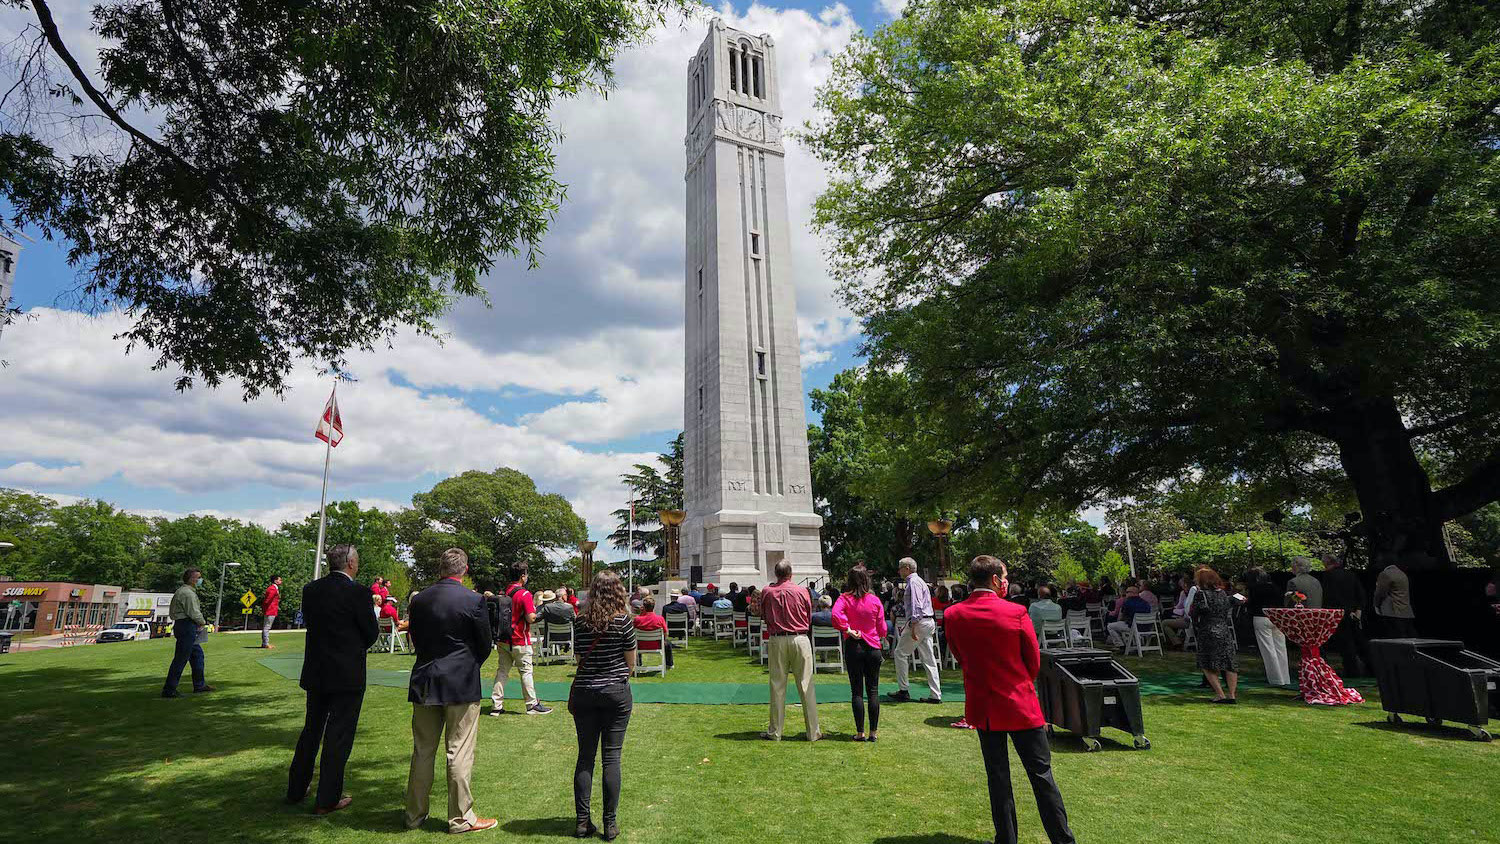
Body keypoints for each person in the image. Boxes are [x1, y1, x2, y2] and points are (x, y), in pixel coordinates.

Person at [946, 556, 1075, 844]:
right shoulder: (1016, 612)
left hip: (984, 705)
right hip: (1019, 703)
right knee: (1041, 775)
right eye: (1004, 577)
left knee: (998, 777)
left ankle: (1006, 838)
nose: (1006, 581)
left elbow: (959, 655)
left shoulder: (954, 614)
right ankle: (1063, 839)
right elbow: (1033, 661)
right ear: (994, 579)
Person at [404, 548, 498, 834]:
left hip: (426, 679)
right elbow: (484, 643)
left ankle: (413, 816)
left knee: (423, 751)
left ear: (441, 568)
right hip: (459, 682)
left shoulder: (419, 600)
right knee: (458, 751)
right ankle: (461, 818)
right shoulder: (473, 600)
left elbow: (415, 639)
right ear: (465, 570)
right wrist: (466, 665)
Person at [287, 544, 380, 814]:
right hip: (347, 674)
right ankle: (327, 799)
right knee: (338, 736)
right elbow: (370, 633)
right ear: (350, 563)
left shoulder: (311, 590)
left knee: (311, 731)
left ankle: (296, 789)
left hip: (316, 671)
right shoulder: (359, 593)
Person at [570, 569, 637, 841]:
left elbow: (577, 658)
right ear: (618, 591)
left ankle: (583, 822)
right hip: (615, 692)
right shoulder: (623, 621)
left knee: (585, 757)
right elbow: (630, 663)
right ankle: (610, 824)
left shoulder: (580, 622)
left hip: (585, 691)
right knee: (612, 757)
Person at [759, 560, 821, 741]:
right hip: (800, 638)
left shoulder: (767, 592)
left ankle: (775, 731)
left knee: (777, 686)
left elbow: (763, 615)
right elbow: (808, 615)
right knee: (806, 685)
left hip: (777, 639)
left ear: (776, 574)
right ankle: (813, 732)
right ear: (791, 574)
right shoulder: (803, 591)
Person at [832, 566, 887, 741]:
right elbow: (882, 628)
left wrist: (847, 628)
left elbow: (835, 615)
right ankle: (873, 732)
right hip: (873, 648)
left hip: (854, 647)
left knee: (856, 691)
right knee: (873, 690)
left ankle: (860, 732)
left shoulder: (844, 599)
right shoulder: (874, 600)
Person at [491, 561, 551, 716]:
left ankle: (496, 705)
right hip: (519, 640)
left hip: (504, 639)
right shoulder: (524, 594)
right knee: (526, 672)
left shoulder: (506, 592)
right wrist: (542, 613)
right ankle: (532, 704)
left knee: (502, 672)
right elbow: (531, 618)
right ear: (523, 576)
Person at [891, 557, 942, 704]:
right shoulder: (919, 582)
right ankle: (935, 694)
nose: (899, 571)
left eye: (900, 568)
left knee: (900, 653)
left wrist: (913, 626)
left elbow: (916, 605)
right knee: (929, 658)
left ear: (907, 568)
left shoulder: (913, 582)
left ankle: (903, 690)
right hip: (928, 621)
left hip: (919, 622)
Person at [162, 568, 214, 698]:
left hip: (184, 625)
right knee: (181, 658)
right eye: (198, 578)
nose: (200, 580)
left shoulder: (184, 591)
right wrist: (202, 622)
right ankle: (169, 690)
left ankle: (199, 685)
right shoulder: (188, 594)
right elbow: (193, 612)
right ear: (191, 579)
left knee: (197, 656)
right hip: (186, 625)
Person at [1191, 568, 1239, 703]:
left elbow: (1196, 612)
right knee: (1229, 662)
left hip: (1208, 629)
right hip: (1224, 629)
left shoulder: (1201, 594)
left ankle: (1220, 694)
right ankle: (1232, 694)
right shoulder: (1223, 594)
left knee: (1207, 663)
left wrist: (1195, 623)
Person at [1320, 553, 1369, 677]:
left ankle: (1352, 670)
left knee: (1345, 644)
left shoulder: (1327, 577)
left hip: (1337, 613)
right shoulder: (1351, 575)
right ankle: (1367, 668)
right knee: (1358, 642)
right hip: (1353, 613)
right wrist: (1358, 610)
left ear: (1327, 563)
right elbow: (1361, 594)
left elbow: (1329, 596)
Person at [1244, 568, 1290, 688]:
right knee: (1281, 648)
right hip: (1277, 618)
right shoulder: (1276, 587)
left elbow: (1252, 604)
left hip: (1261, 617)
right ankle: (1285, 677)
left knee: (1268, 650)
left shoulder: (1255, 589)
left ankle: (1276, 678)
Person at [1373, 559, 1417, 638]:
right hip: (1406, 612)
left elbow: (1380, 593)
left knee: (1393, 639)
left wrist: (1376, 605)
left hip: (1392, 612)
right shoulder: (1402, 574)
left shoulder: (1385, 574)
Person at [631, 594, 672, 669]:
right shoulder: (660, 619)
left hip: (640, 645)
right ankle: (669, 664)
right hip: (657, 645)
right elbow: (666, 633)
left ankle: (638, 663)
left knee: (635, 641)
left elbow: (632, 632)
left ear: (644, 607)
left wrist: (641, 613)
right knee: (668, 643)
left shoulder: (637, 619)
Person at [1162, 576, 1191, 647]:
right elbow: (1180, 605)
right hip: (1184, 616)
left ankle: (1176, 642)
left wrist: (1175, 609)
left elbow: (1184, 608)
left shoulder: (1190, 594)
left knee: (1164, 622)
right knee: (1166, 618)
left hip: (1187, 619)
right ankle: (1176, 641)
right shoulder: (1184, 593)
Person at [260, 575, 282, 649]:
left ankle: (265, 643)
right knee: (267, 627)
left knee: (266, 627)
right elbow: (267, 600)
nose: (281, 581)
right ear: (275, 581)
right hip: (270, 610)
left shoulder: (273, 588)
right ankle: (265, 643)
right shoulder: (273, 589)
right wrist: (264, 609)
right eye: (280, 580)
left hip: (271, 610)